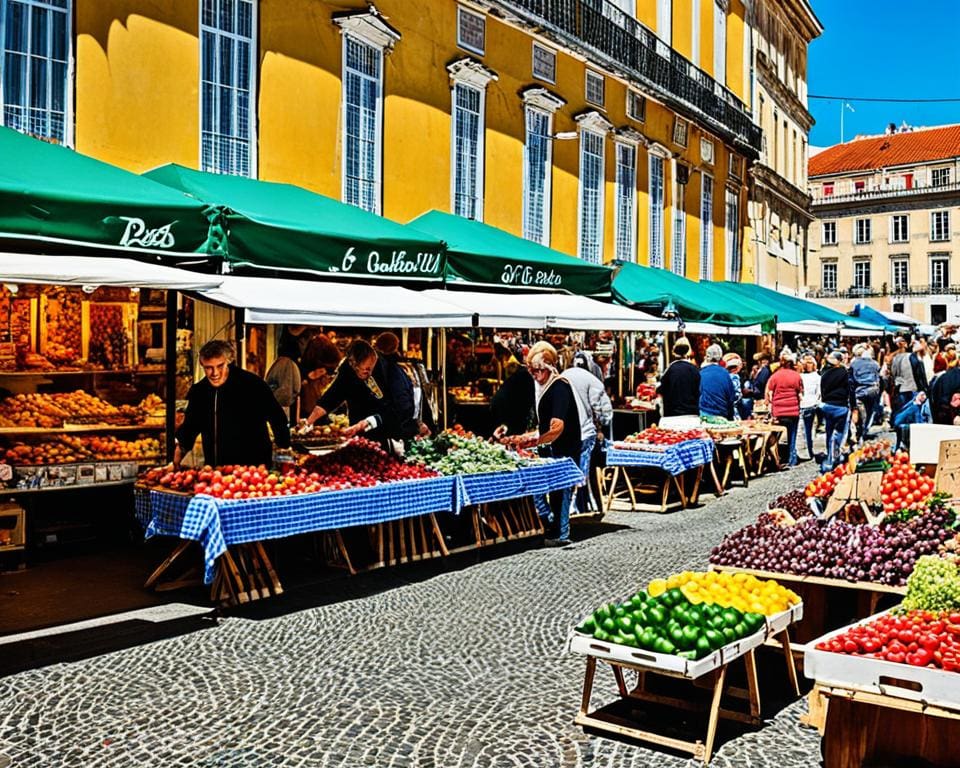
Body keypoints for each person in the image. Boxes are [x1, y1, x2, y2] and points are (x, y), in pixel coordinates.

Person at [503, 342, 581, 547]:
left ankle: (560, 533)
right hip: (554, 448)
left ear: (549, 367)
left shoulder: (559, 386)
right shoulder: (546, 386)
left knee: (561, 491)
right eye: (531, 370)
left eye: (537, 370)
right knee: (548, 490)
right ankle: (552, 525)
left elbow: (557, 426)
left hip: (564, 449)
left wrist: (536, 441)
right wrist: (525, 438)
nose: (534, 375)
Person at [174, 339, 291, 468]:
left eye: (220, 366)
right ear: (202, 365)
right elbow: (190, 427)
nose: (215, 373)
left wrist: (284, 452)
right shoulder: (199, 392)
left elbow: (277, 418)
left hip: (254, 469)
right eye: (209, 368)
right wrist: (177, 456)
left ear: (228, 361)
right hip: (217, 471)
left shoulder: (252, 384)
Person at [302, 339, 417, 442]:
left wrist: (367, 422)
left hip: (390, 435)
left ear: (373, 358)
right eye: (357, 369)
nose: (361, 374)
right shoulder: (348, 367)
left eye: (367, 370)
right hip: (358, 435)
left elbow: (401, 408)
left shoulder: (391, 371)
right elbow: (331, 397)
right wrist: (308, 423)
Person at [561, 360, 613, 515]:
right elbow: (603, 411)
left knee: (566, 468)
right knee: (583, 470)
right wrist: (602, 424)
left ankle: (568, 505)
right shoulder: (593, 381)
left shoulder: (561, 376)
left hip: (563, 432)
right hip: (585, 431)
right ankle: (581, 505)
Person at [374, 331, 428, 437]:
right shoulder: (395, 369)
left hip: (387, 425)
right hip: (399, 427)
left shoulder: (380, 368)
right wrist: (414, 425)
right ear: (396, 346)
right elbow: (403, 402)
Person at [765, 349, 803, 467]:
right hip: (793, 411)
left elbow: (769, 394)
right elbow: (800, 395)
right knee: (792, 436)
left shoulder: (775, 376)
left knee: (776, 436)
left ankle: (777, 459)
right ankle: (792, 459)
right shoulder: (796, 376)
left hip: (778, 411)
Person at [819, 350, 852, 472]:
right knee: (839, 434)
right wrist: (853, 407)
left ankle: (829, 454)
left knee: (829, 431)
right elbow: (850, 390)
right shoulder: (844, 372)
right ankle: (834, 459)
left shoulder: (824, 373)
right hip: (840, 406)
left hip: (827, 406)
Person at [265, 333, 302, 422]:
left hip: (283, 408)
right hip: (282, 408)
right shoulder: (286, 363)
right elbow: (285, 392)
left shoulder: (284, 363)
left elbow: (285, 391)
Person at [658, 339, 700, 417]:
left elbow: (661, 390)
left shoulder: (669, 370)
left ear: (674, 353)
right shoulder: (695, 370)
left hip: (672, 414)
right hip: (692, 414)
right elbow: (699, 391)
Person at [850, 345, 881, 443]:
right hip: (873, 390)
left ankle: (860, 432)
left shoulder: (854, 363)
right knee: (871, 411)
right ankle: (865, 430)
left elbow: (851, 379)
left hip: (859, 391)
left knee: (861, 412)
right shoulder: (875, 364)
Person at [699, 344, 736, 420]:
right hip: (721, 414)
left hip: (704, 414)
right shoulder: (725, 373)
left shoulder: (701, 373)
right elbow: (731, 398)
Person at [798, 354, 821, 462]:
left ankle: (803, 451)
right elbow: (819, 393)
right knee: (810, 430)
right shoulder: (817, 377)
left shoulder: (800, 376)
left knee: (801, 430)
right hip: (812, 405)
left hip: (801, 404)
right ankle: (810, 451)